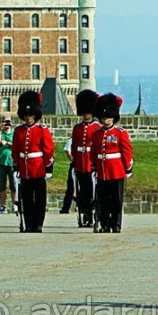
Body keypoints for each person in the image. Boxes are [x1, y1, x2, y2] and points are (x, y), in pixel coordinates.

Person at [11, 91, 55, 233]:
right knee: (27, 199)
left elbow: (48, 150)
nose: (28, 118)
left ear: (35, 115)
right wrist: (16, 165)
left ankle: (38, 223)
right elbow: (16, 150)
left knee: (39, 199)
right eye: (26, 115)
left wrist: (48, 167)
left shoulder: (42, 130)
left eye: (30, 115)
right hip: (24, 169)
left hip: (38, 168)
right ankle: (29, 223)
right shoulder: (19, 131)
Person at [91, 93, 134, 233]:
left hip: (116, 170)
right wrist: (94, 167)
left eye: (109, 117)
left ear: (114, 117)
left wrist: (127, 168)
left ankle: (116, 224)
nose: (106, 120)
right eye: (103, 118)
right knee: (103, 201)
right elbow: (94, 152)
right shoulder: (97, 134)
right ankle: (104, 224)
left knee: (116, 201)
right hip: (102, 172)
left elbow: (126, 151)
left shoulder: (120, 133)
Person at [69, 90, 100, 227]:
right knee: (83, 193)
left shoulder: (97, 127)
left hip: (91, 163)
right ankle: (86, 215)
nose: (86, 115)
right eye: (84, 113)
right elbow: (75, 145)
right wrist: (75, 160)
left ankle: (93, 215)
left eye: (88, 113)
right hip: (80, 163)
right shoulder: (77, 128)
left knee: (92, 192)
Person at [0, 114, 17, 214]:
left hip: (11, 162)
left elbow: (15, 145)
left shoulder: (14, 133)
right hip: (1, 162)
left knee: (13, 185)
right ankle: (3, 206)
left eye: (8, 122)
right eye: (5, 121)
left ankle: (15, 204)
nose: (7, 124)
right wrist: (0, 131)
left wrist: (6, 142)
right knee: (2, 185)